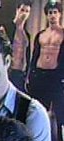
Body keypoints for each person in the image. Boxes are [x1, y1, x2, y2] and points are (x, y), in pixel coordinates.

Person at [28, 0, 64, 129]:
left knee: (59, 114)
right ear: (47, 15)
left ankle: (59, 139)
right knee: (37, 111)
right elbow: (35, 56)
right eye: (50, 13)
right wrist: (30, 74)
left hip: (56, 77)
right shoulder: (41, 35)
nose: (52, 15)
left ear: (60, 14)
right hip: (39, 75)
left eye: (55, 12)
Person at [7, 0, 33, 92]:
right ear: (17, 10)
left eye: (27, 11)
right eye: (22, 10)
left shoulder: (26, 35)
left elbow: (27, 55)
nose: (24, 14)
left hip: (21, 73)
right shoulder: (7, 28)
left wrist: (27, 74)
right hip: (8, 71)